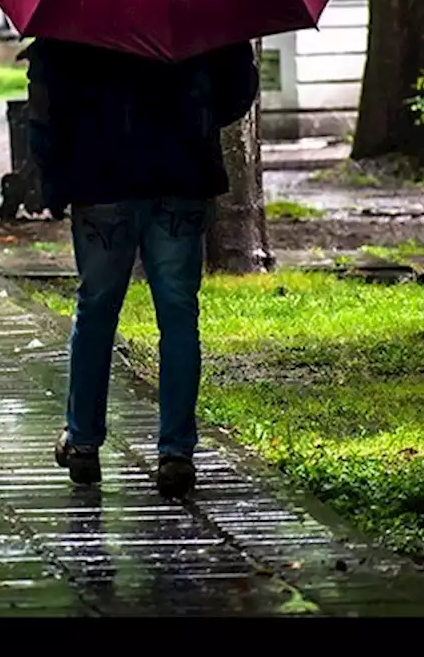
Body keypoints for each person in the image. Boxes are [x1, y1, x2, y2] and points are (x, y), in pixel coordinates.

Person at [24, 37, 259, 498]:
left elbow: (46, 104)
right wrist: (197, 120)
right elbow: (238, 88)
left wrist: (51, 180)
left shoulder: (72, 12)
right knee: (177, 314)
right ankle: (175, 453)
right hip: (181, 177)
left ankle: (84, 443)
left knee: (95, 310)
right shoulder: (203, 6)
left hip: (101, 179)